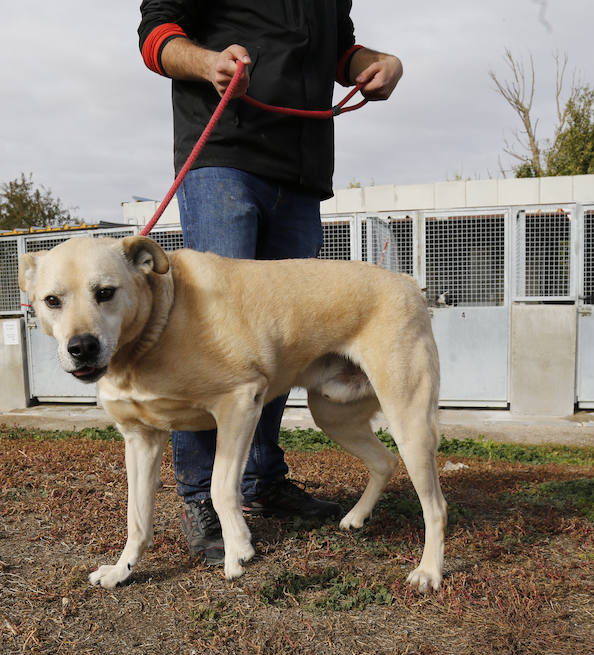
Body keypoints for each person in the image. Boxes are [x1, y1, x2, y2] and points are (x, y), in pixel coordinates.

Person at [138, 1, 403, 564]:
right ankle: (202, 496)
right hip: (224, 156)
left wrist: (372, 64)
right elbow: (156, 34)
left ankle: (261, 479)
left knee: (282, 344)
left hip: (302, 175)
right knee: (207, 344)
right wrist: (207, 62)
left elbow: (338, 50)